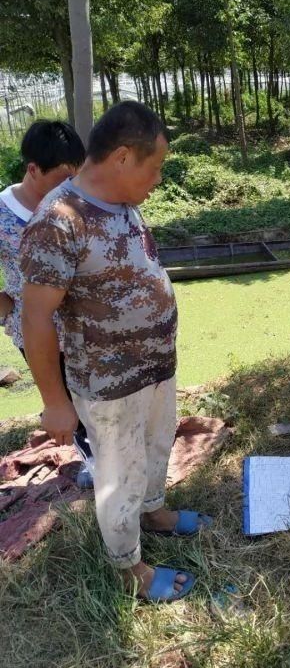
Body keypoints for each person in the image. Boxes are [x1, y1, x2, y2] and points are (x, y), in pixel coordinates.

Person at [20, 101, 211, 603]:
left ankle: (154, 512)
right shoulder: (58, 221)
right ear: (123, 157)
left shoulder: (123, 201)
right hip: (108, 384)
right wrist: (54, 402)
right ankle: (129, 568)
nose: (159, 179)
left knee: (156, 448)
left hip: (155, 368)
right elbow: (35, 318)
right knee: (118, 476)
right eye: (156, 167)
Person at [0, 120, 93, 487]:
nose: (70, 185)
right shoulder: (3, 214)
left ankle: (111, 456)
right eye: (63, 178)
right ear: (33, 169)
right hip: (37, 335)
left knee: (95, 396)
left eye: (76, 177)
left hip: (85, 329)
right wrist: (8, 313)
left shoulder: (76, 204)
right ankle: (92, 462)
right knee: (63, 398)